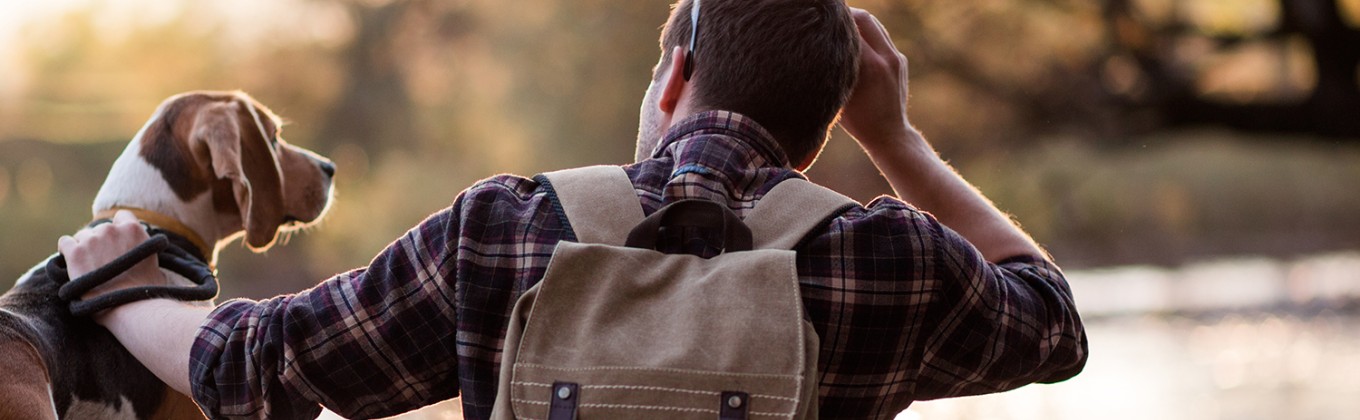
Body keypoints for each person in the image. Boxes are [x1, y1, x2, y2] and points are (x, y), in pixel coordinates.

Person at [59, 1, 1088, 419]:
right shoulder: (890, 261)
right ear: (824, 130)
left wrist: (121, 286)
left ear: (673, 78)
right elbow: (1054, 325)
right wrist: (899, 141)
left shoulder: (502, 232)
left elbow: (255, 365)